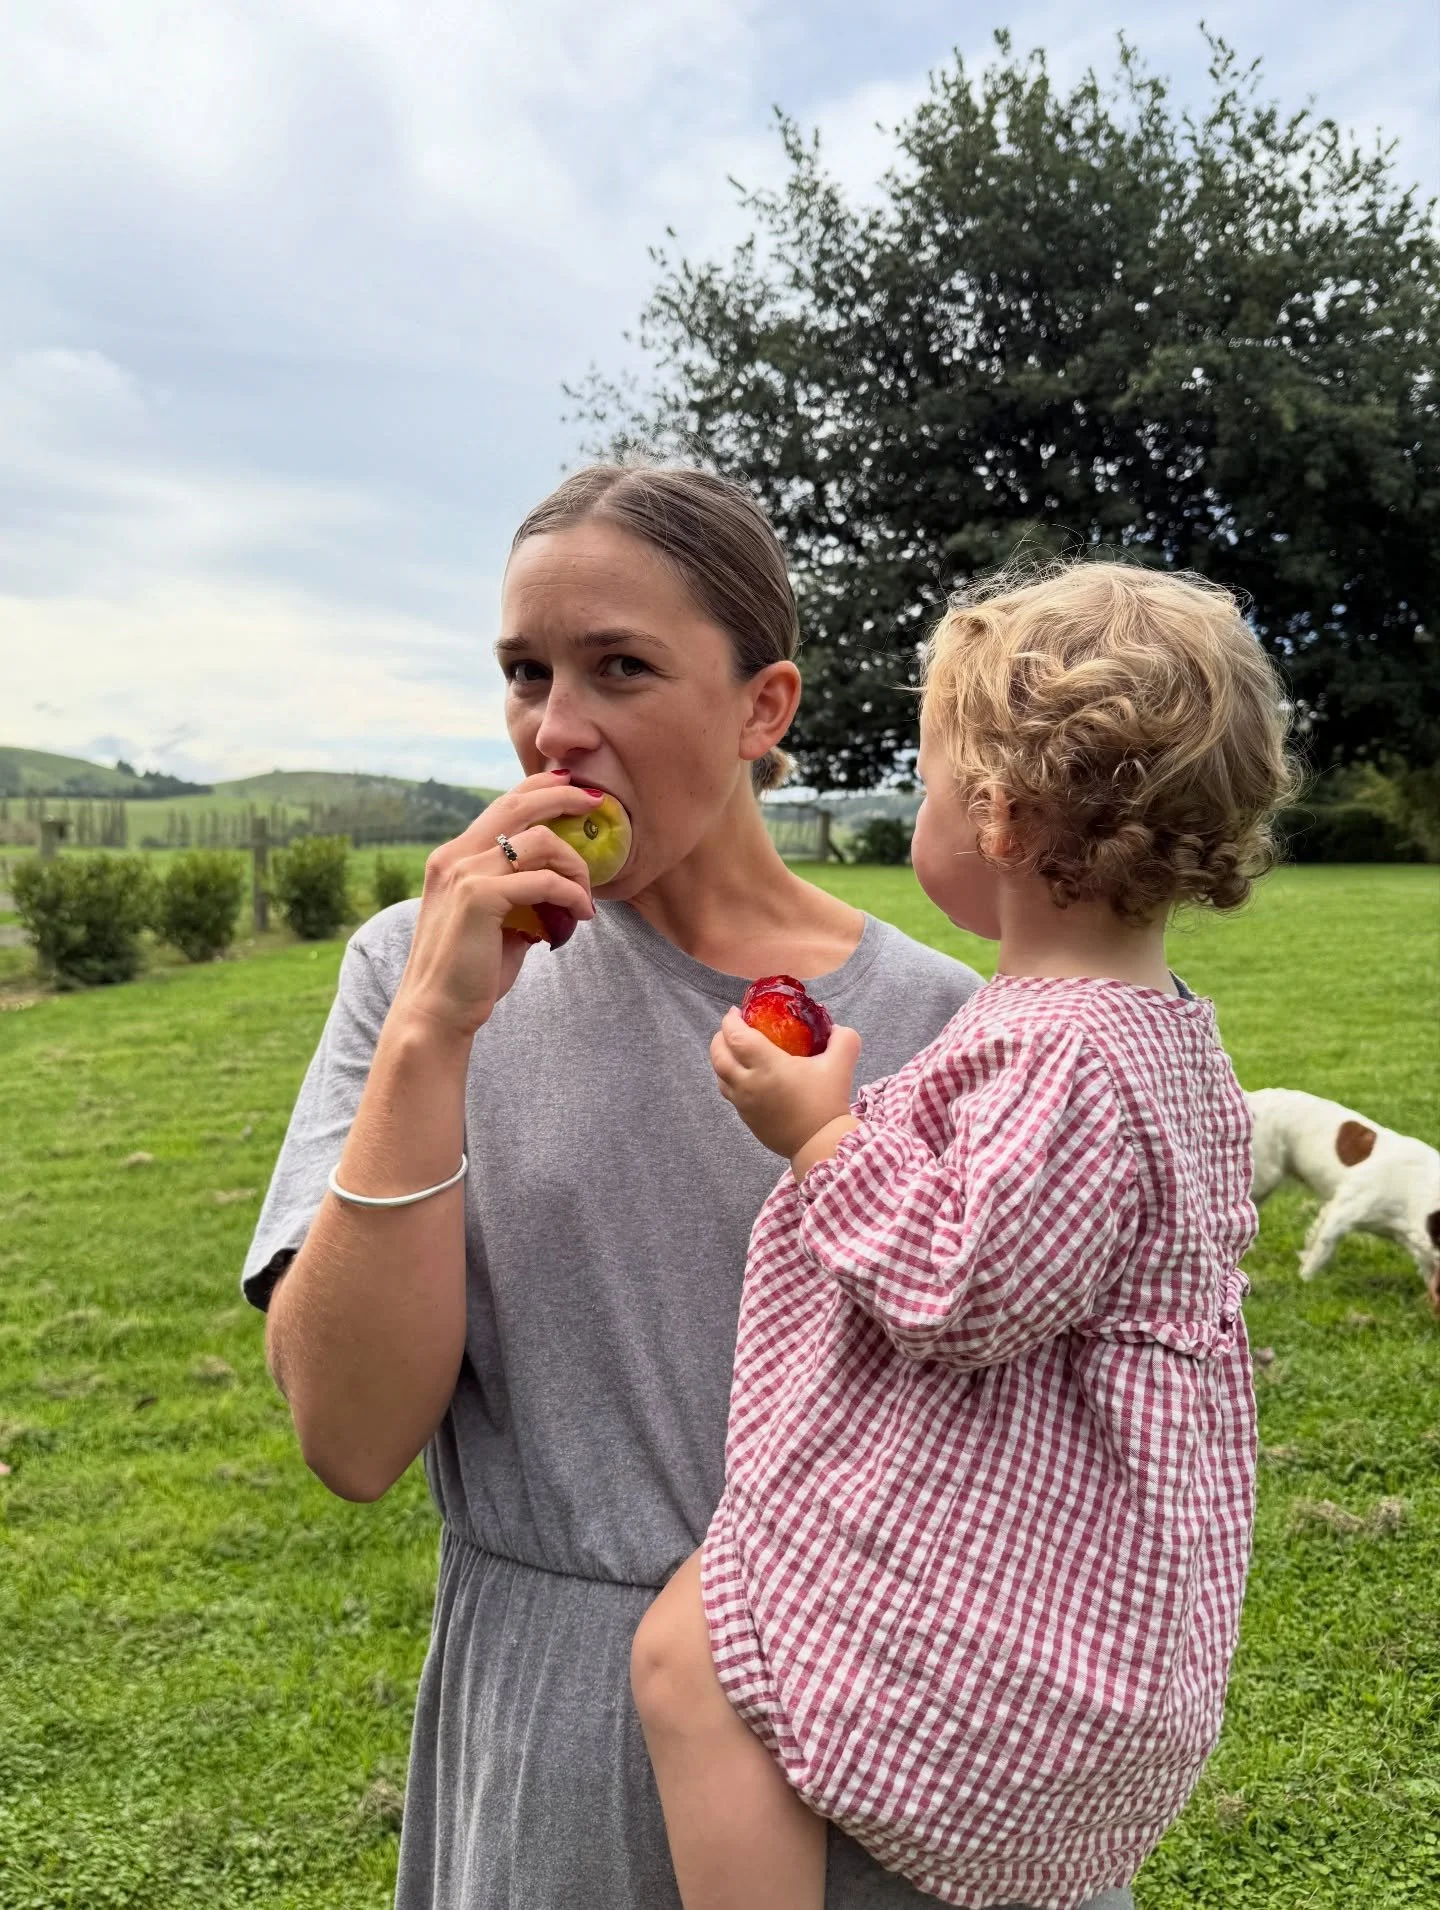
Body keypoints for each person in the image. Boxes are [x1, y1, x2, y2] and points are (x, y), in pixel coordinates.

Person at [243, 465, 1133, 1909]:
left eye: (620, 668)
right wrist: (430, 1032)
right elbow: (349, 1434)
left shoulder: (955, 1023)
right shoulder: (412, 969)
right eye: (525, 672)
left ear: (761, 709)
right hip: (558, 1761)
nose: (555, 727)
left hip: (896, 1748)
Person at [630, 561, 1297, 1910]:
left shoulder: (1067, 1047)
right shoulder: (1157, 1032)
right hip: (1088, 1539)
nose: (924, 807)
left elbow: (965, 1284)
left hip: (1010, 1565)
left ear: (992, 817)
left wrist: (823, 1134)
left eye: (931, 783)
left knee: (685, 1657)